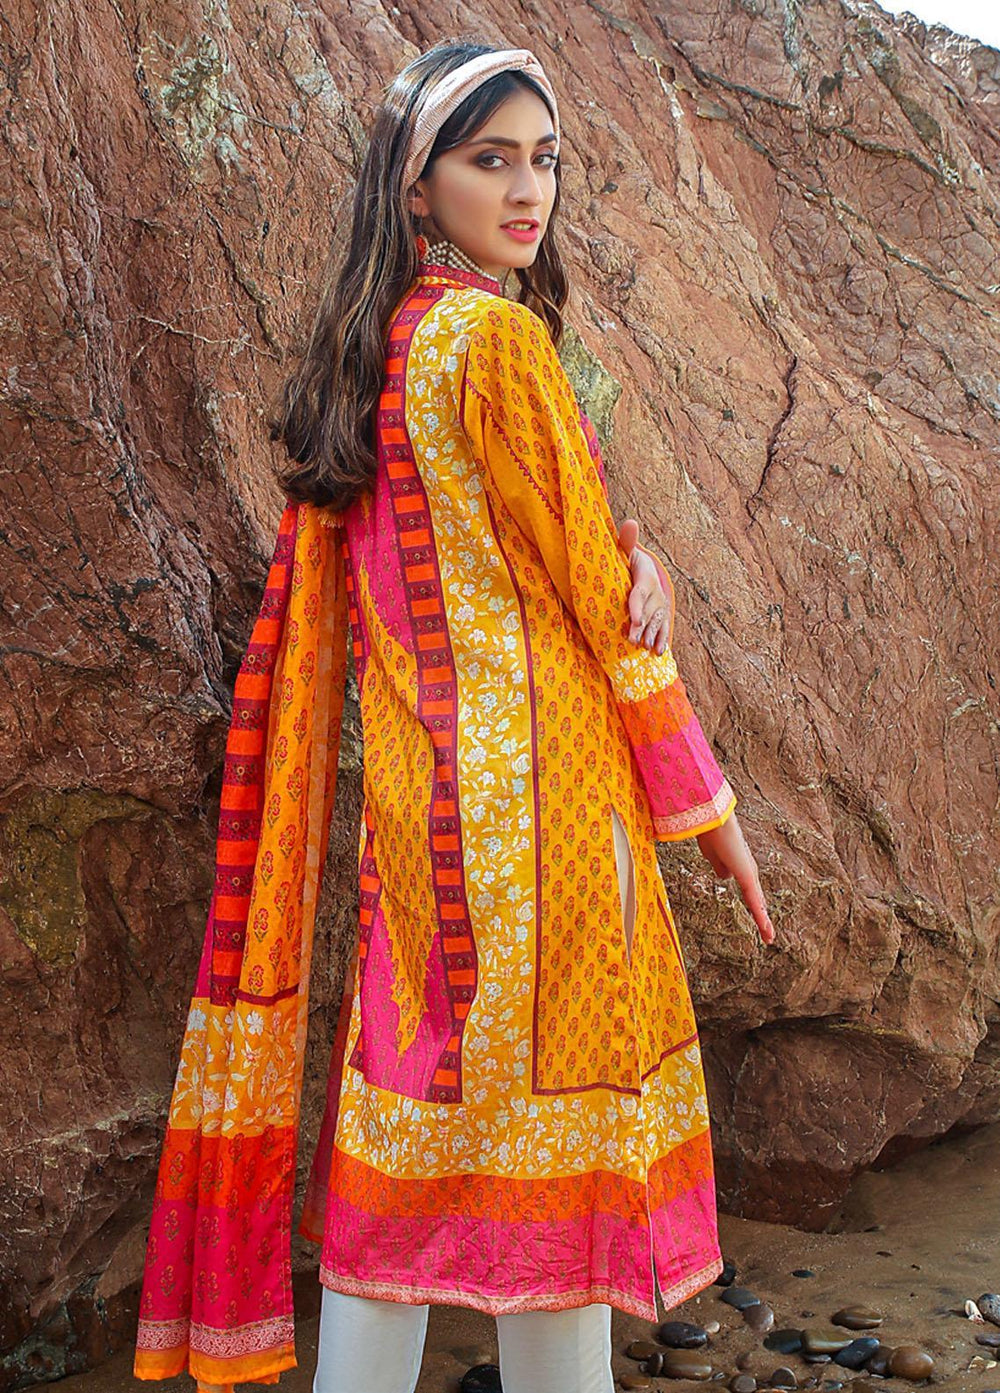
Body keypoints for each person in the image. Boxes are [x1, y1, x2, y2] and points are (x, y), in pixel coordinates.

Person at [133, 38, 774, 1393]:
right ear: (418, 186)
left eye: (545, 160)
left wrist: (636, 550)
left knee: (407, 1146)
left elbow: (526, 551)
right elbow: (600, 607)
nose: (528, 189)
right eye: (493, 159)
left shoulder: (381, 347)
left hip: (421, 830)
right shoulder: (496, 339)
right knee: (562, 1178)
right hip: (550, 829)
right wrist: (704, 809)